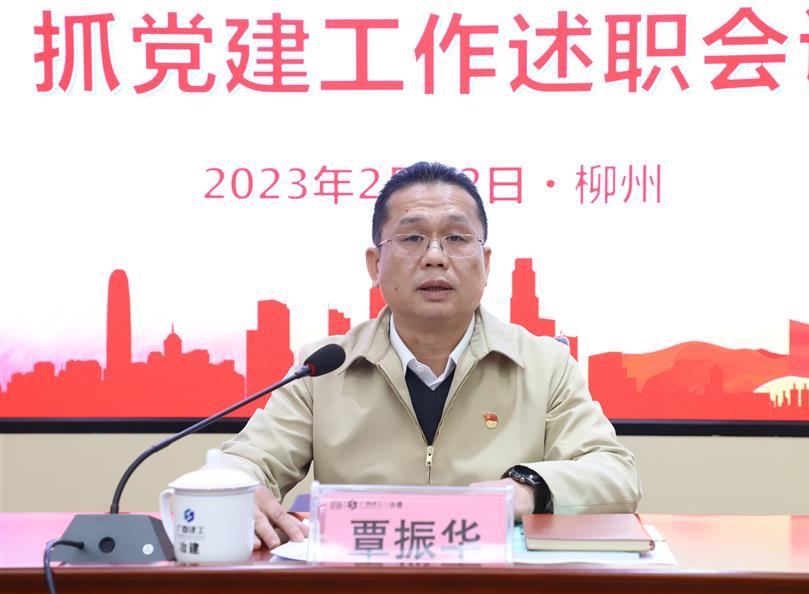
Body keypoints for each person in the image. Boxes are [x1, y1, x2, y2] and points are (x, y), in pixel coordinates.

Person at [220, 162, 641, 550]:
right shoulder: (324, 368)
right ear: (375, 265)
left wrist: (526, 489)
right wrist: (233, 487)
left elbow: (615, 474)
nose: (435, 257)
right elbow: (247, 461)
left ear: (485, 262)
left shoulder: (544, 365)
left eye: (456, 238)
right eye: (412, 238)